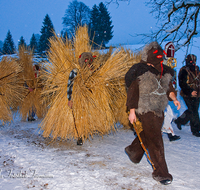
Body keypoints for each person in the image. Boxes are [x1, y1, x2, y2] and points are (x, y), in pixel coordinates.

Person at [125, 41, 181, 185]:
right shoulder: (140, 71)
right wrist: (132, 111)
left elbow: (169, 88)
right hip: (145, 108)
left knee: (150, 133)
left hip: (159, 109)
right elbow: (133, 92)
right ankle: (161, 173)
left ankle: (134, 151)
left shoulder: (164, 71)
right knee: (156, 139)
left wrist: (174, 98)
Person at [67, 52, 96, 145]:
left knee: (87, 117)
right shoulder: (75, 71)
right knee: (79, 117)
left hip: (89, 99)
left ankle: (84, 132)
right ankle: (79, 135)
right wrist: (70, 99)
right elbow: (70, 86)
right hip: (77, 98)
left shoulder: (92, 71)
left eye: (88, 61)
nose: (87, 63)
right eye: (85, 61)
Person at [174, 54, 200, 137]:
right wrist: (190, 91)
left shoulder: (197, 69)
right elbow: (182, 83)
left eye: (192, 61)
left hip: (197, 94)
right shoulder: (184, 70)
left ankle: (180, 121)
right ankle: (196, 130)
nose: (191, 62)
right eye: (189, 61)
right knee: (193, 111)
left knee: (193, 111)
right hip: (187, 94)